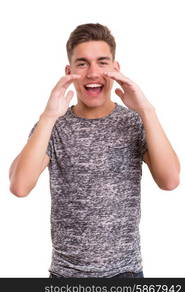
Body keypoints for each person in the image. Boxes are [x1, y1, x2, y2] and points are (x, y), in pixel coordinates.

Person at [9, 23, 180, 278]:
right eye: (82, 64)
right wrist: (48, 116)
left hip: (125, 274)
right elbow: (19, 186)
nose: (92, 72)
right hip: (65, 276)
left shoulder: (135, 122)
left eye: (102, 62)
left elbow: (170, 181)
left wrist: (146, 110)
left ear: (116, 69)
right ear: (69, 72)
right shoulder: (53, 126)